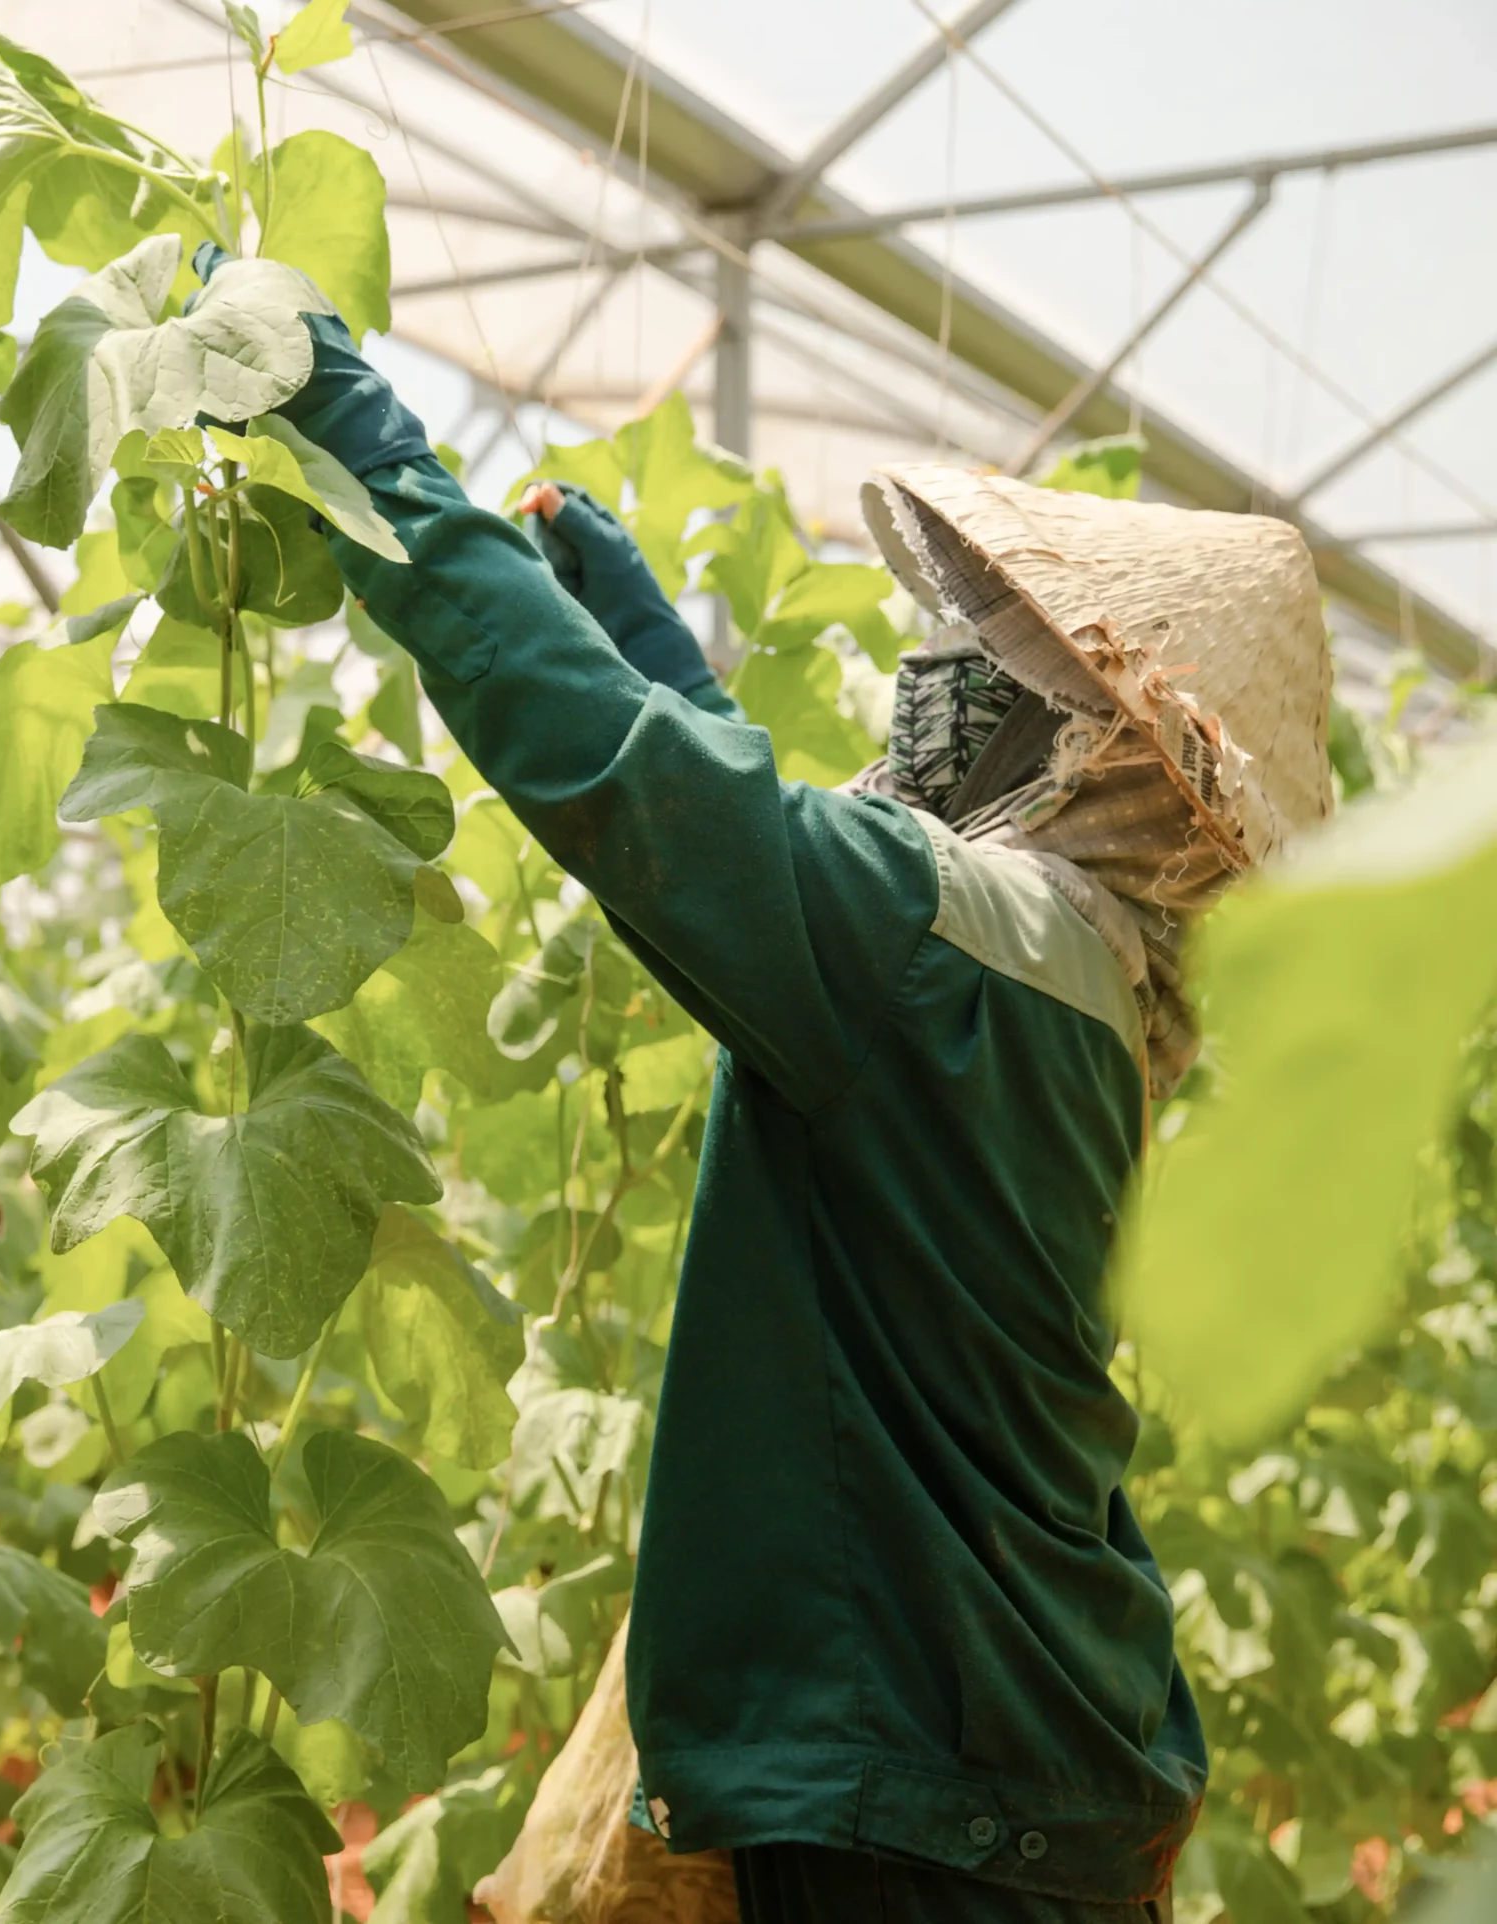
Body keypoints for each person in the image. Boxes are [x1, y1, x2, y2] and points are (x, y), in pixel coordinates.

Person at [227, 246, 1336, 1922]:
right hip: (1012, 1752)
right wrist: (648, 641)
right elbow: (783, 877)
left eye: (998, 645)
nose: (942, 663)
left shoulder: (944, 948)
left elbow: (640, 793)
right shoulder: (1075, 973)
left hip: (919, 1796)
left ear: (1107, 740)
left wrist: (366, 441)